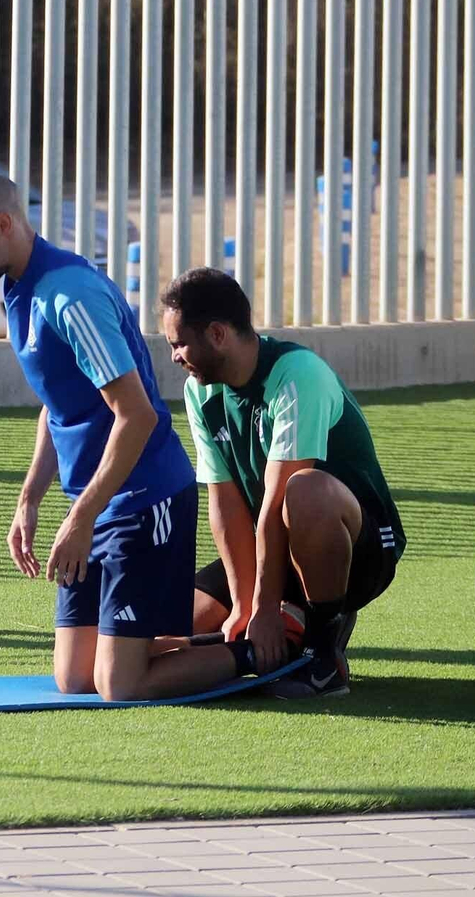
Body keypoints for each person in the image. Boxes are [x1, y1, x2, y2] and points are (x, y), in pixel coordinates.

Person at [0, 173, 261, 701]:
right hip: (94, 505)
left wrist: (81, 518)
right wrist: (29, 500)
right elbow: (60, 403)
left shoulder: (70, 297)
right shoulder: (19, 289)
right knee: (74, 679)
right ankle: (201, 631)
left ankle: (266, 649)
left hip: (143, 500)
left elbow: (137, 416)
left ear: (4, 224)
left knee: (119, 685)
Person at [158, 266, 407, 698]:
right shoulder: (200, 391)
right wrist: (242, 604)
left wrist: (265, 608)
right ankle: (295, 622)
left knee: (304, 489)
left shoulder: (297, 375)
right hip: (276, 550)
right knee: (164, 631)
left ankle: (323, 648)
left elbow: (276, 503)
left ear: (217, 334)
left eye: (179, 344)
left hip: (361, 549)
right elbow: (226, 503)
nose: (175, 356)